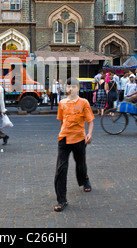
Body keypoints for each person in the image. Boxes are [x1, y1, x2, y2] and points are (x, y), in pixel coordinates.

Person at [54, 78, 95, 212]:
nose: (70, 89)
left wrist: (89, 134)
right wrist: (61, 133)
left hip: (79, 139)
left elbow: (90, 121)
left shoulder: (84, 102)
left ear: (77, 88)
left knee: (80, 163)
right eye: (68, 87)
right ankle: (61, 200)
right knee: (61, 169)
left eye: (73, 87)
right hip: (64, 139)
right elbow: (62, 121)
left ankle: (85, 180)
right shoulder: (62, 103)